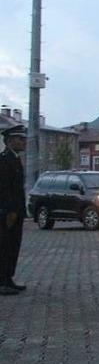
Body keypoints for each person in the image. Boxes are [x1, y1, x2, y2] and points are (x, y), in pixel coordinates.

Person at [0, 125, 27, 296]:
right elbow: (4, 188)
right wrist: (9, 211)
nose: (23, 142)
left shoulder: (15, 159)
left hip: (16, 211)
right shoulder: (4, 160)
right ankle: (2, 281)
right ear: (9, 141)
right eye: (20, 139)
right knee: (4, 246)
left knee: (13, 246)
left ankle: (9, 278)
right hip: (7, 212)